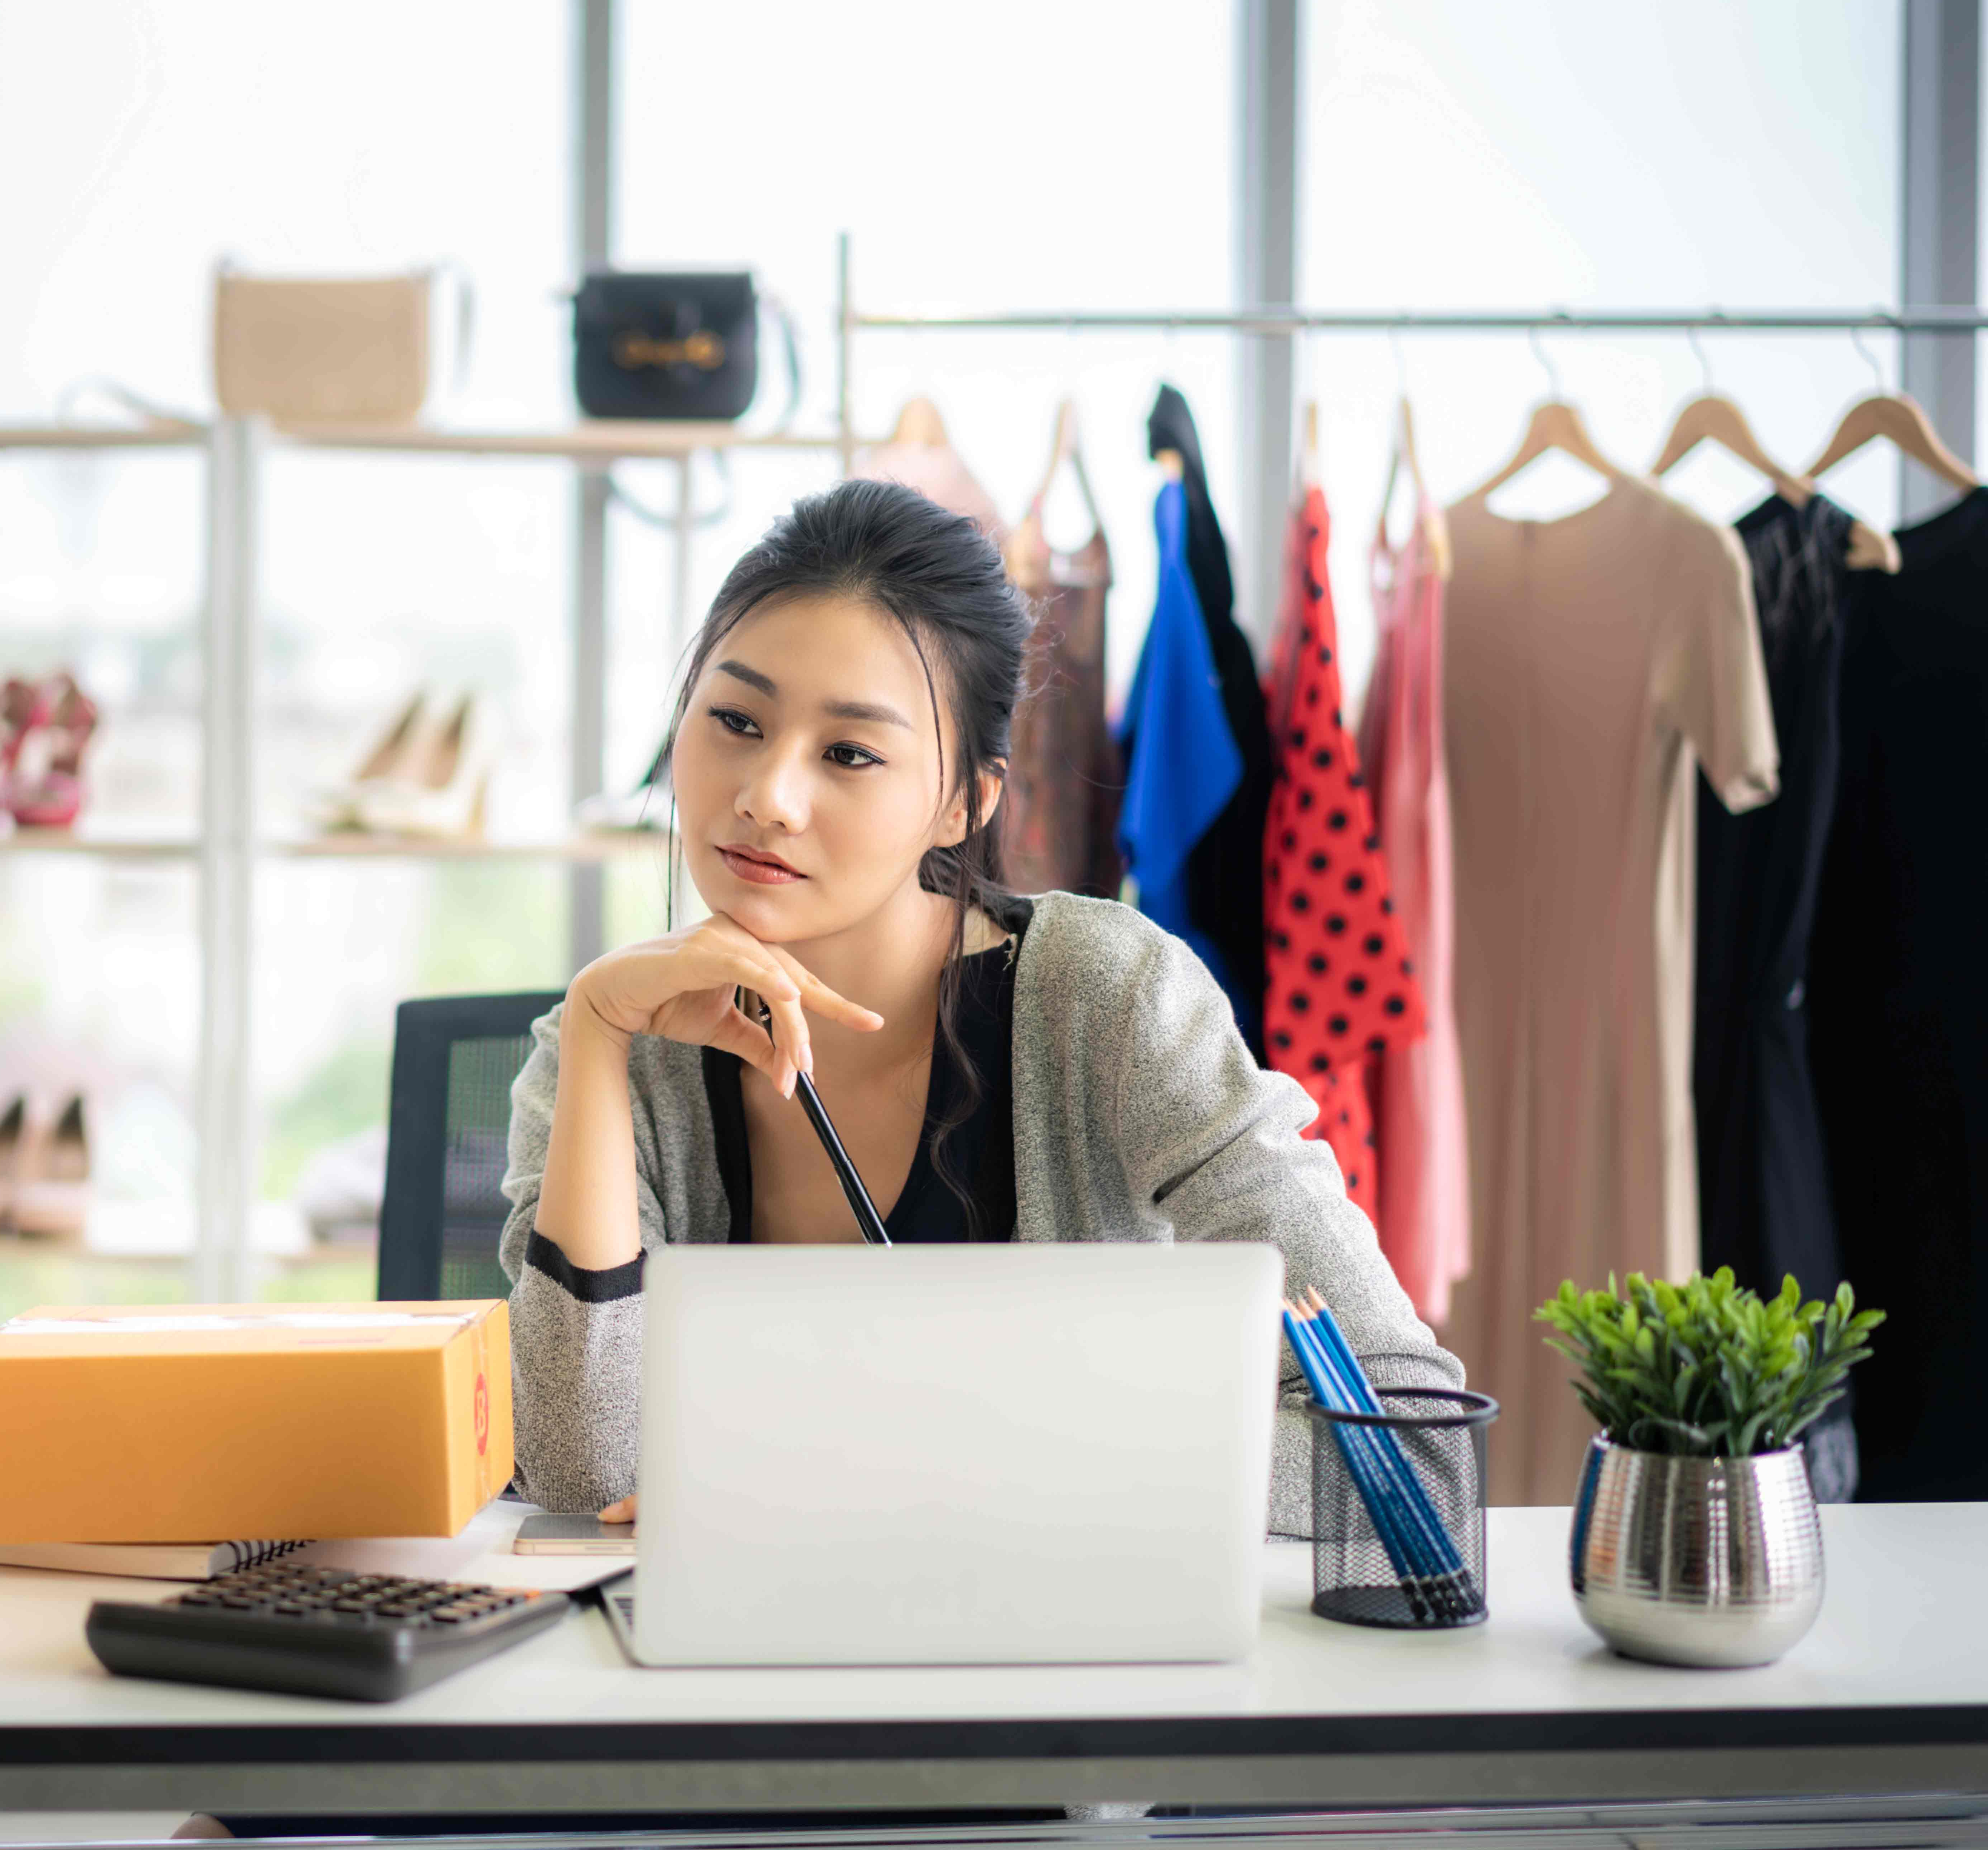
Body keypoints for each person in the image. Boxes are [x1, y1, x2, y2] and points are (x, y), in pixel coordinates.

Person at [499, 477, 1461, 1532]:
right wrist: (595, 1036)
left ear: (966, 801)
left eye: (850, 753)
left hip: (1048, 1666)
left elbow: (1411, 1446)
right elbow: (580, 1471)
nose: (767, 795)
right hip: (727, 1671)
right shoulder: (610, 1039)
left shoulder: (1110, 1000)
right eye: (734, 720)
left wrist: (935, 1464)